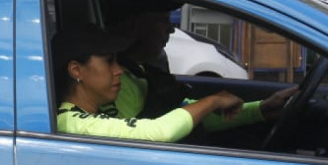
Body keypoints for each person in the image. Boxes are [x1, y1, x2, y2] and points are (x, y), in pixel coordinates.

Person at [101, 0, 296, 131]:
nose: (171, 29)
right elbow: (146, 133)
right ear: (132, 25)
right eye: (163, 20)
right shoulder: (113, 85)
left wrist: (260, 110)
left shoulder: (140, 70)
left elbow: (182, 113)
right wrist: (213, 101)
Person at [53, 25, 245, 142]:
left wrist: (261, 110)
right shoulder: (72, 123)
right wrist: (214, 100)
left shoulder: (90, 115)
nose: (119, 70)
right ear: (76, 70)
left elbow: (183, 120)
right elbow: (160, 131)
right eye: (109, 61)